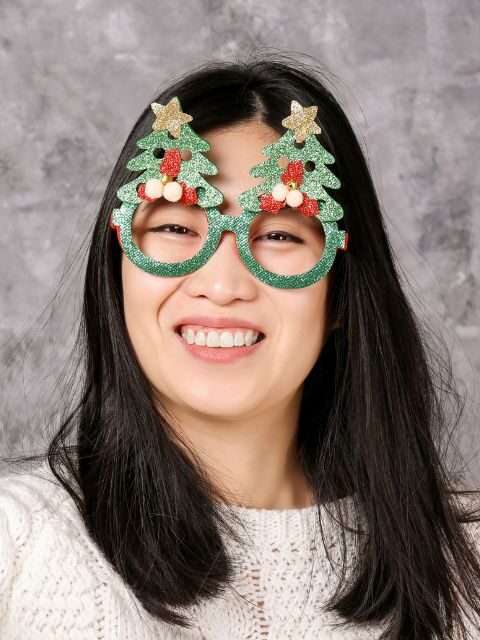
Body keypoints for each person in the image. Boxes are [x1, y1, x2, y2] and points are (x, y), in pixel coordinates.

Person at [1, 52, 480, 640]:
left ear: (341, 294)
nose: (223, 286)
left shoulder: (465, 560)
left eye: (279, 234)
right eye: (177, 226)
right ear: (118, 267)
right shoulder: (16, 544)